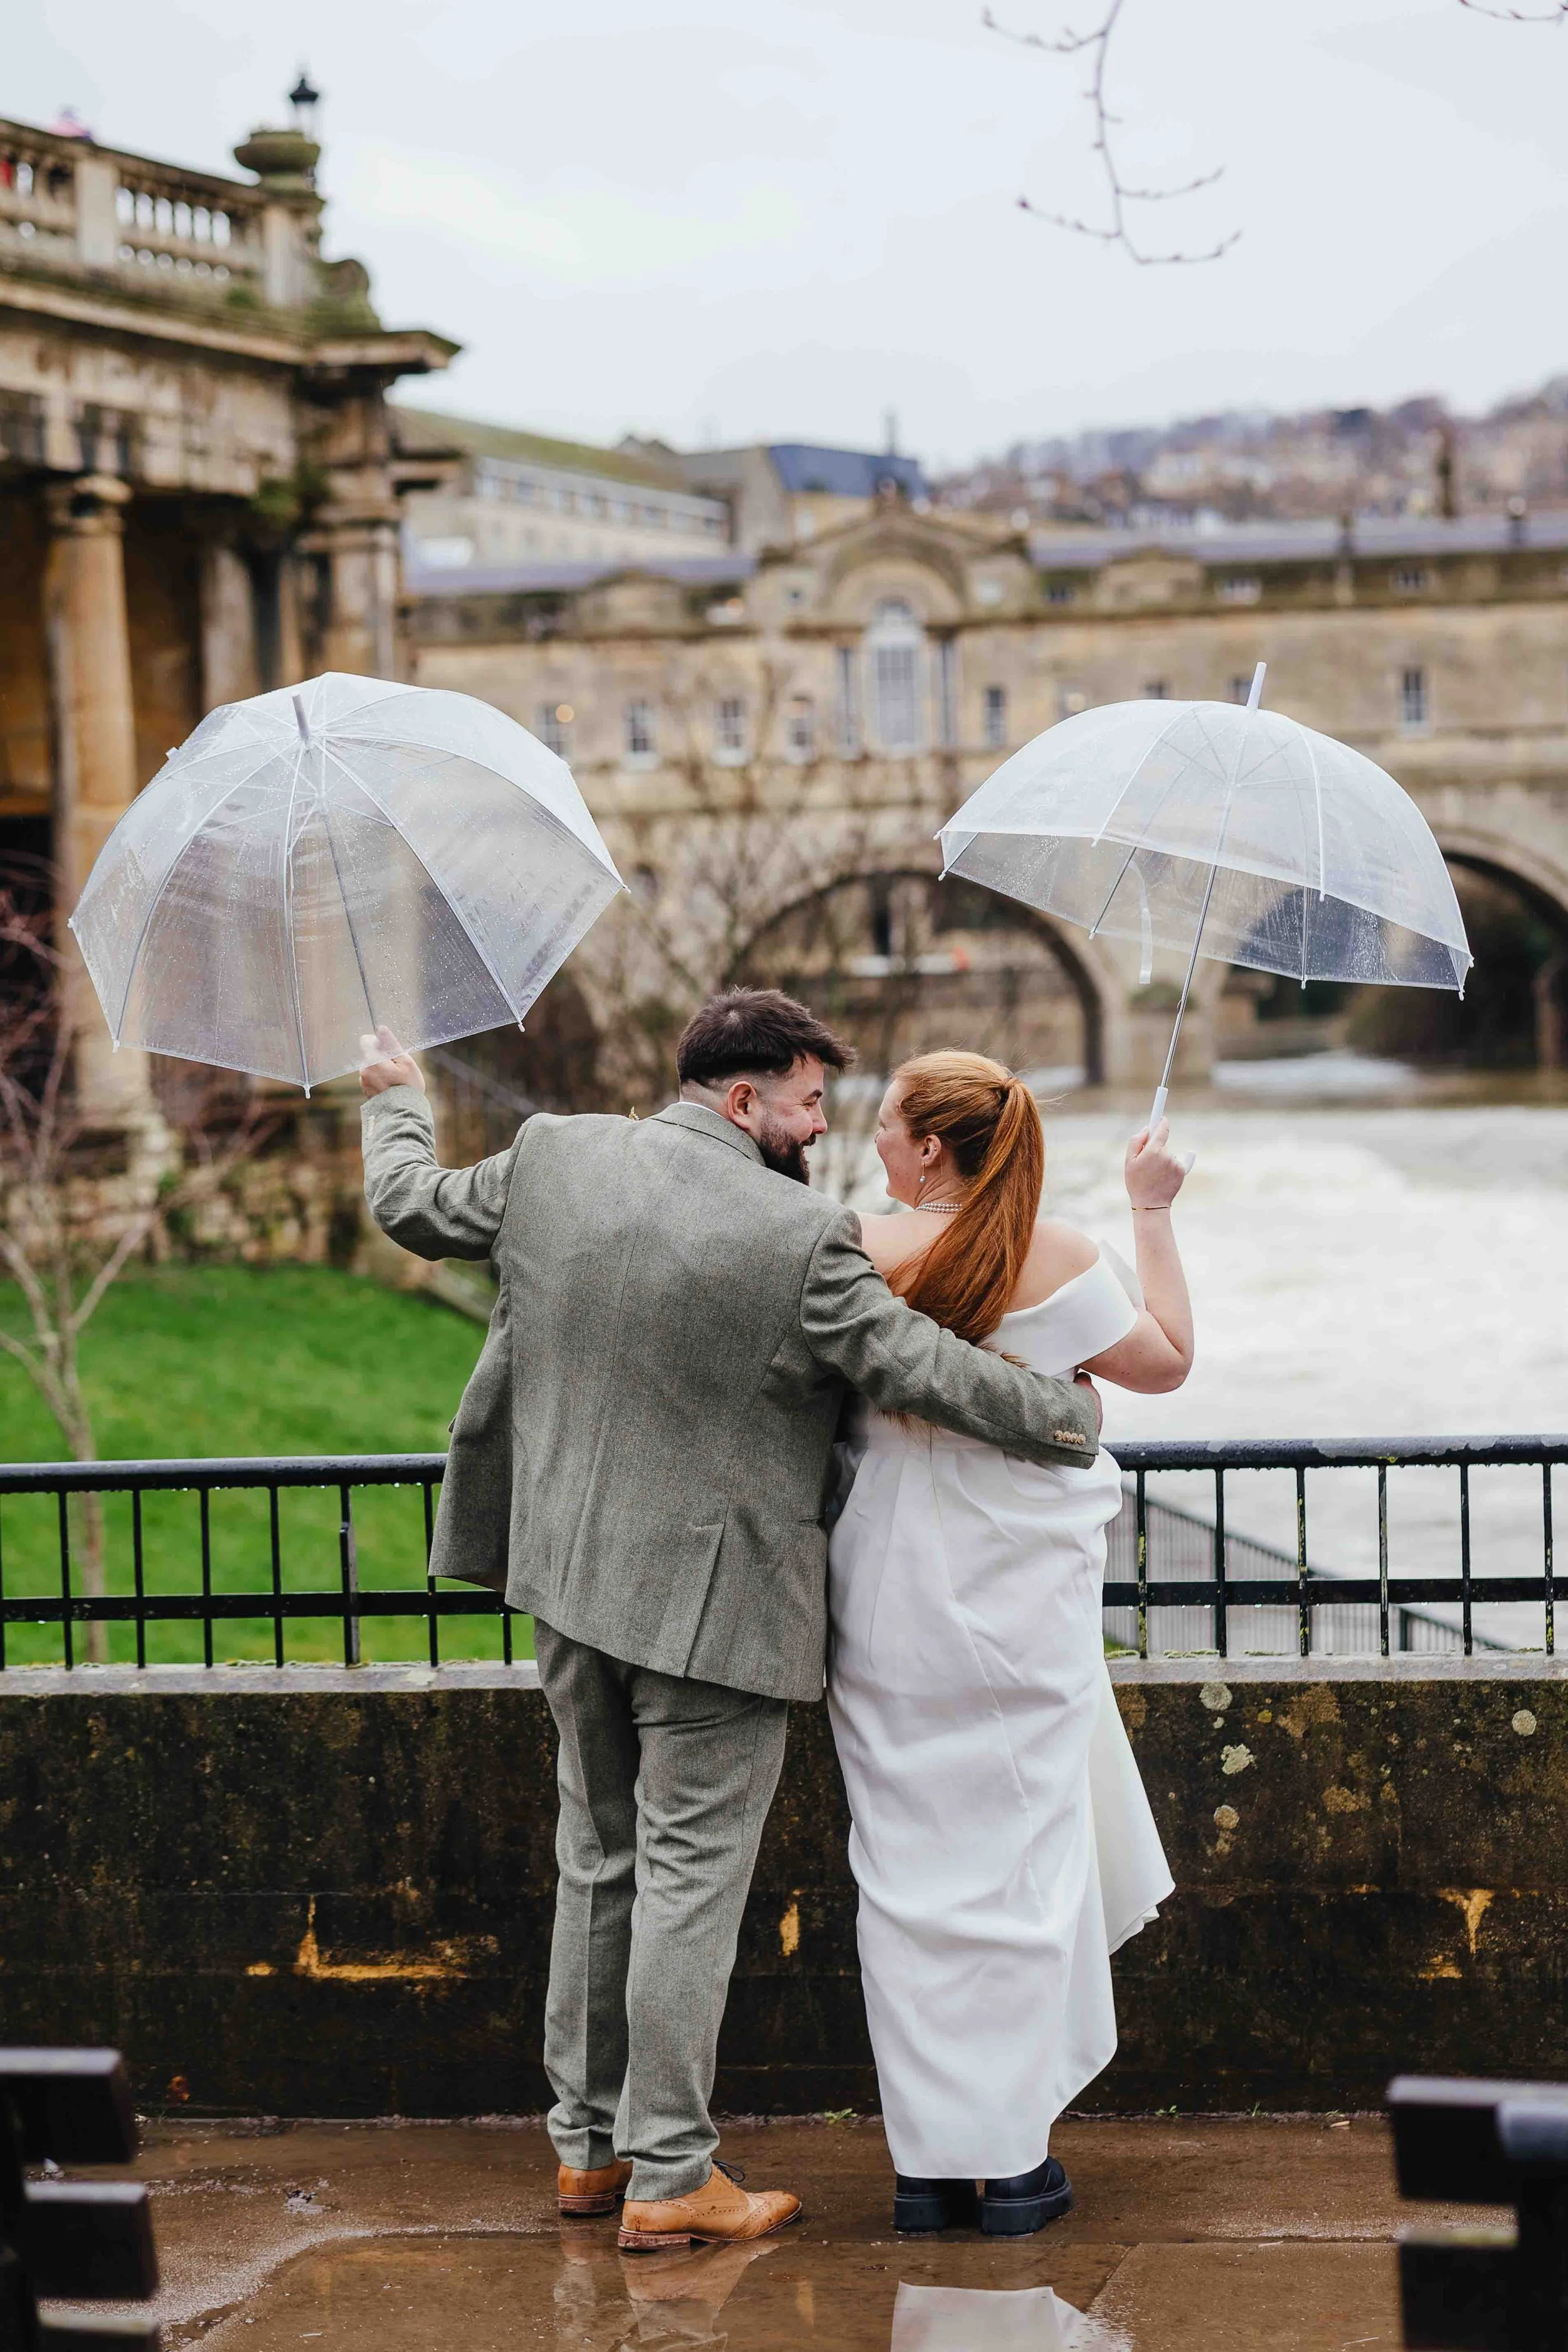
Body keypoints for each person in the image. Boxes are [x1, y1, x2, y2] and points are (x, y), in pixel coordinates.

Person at [356, 992, 1101, 2254]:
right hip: (715, 1612)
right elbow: (912, 1366)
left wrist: (390, 1097)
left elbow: (410, 1204)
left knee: (595, 1864)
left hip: (564, 1581)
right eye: (810, 1100)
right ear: (745, 1099)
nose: (823, 1124)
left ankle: (587, 2157)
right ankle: (672, 2174)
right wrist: (1062, 1417)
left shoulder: (555, 1156)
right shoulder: (799, 1236)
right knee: (688, 1885)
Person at [827, 1050, 1191, 2238]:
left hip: (889, 1594)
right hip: (1022, 1601)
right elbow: (1169, 1363)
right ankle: (1012, 2157)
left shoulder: (858, 1247)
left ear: (931, 1146)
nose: (873, 1136)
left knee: (903, 1871)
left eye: (886, 1121)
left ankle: (930, 2169)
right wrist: (1151, 1208)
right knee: (1026, 1863)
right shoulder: (1066, 1256)